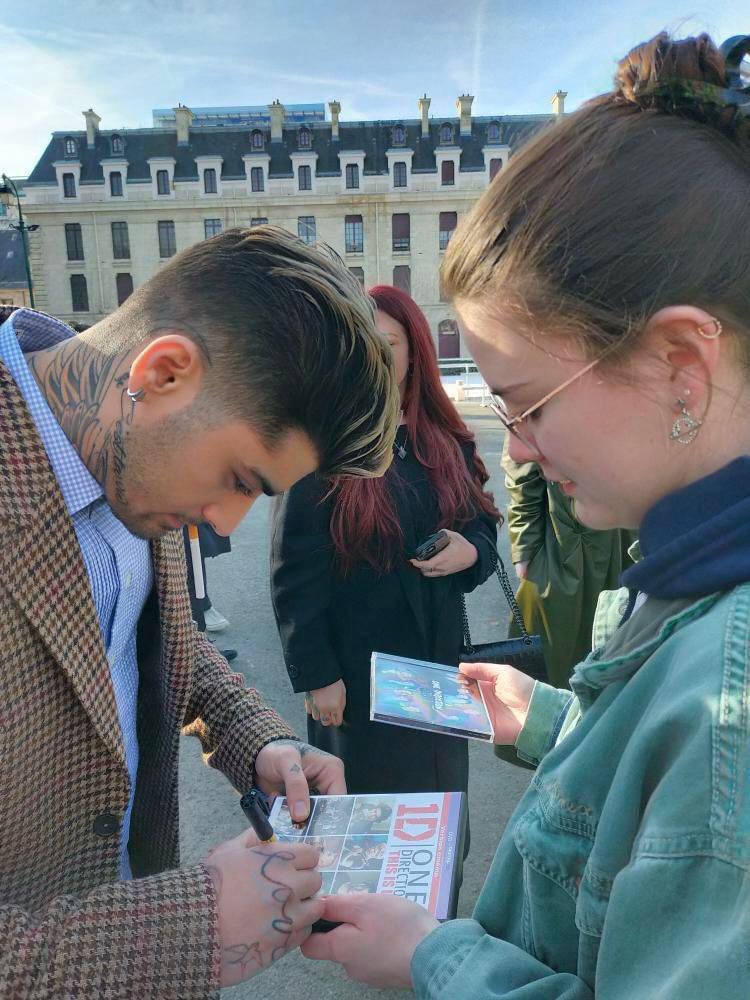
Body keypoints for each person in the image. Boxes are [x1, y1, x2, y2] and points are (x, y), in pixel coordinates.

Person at [301, 31, 750, 998]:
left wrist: (433, 956)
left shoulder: (733, 699)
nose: (519, 446)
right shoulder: (698, 579)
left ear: (682, 363)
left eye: (529, 402)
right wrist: (552, 720)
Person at [0, 225, 399, 997]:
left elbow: (148, 644)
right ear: (165, 371)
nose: (224, 525)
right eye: (239, 478)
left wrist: (260, 744)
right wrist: (192, 923)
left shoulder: (128, 458)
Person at [271, 284, 500, 798]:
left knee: (439, 816)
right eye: (365, 343)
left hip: (437, 670)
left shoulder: (443, 438)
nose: (376, 356)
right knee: (368, 826)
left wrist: (471, 553)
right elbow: (295, 570)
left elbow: (482, 525)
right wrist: (317, 673)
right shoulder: (324, 443)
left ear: (414, 351)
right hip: (356, 677)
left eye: (389, 343)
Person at [501, 437, 635, 687]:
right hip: (564, 543)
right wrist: (525, 548)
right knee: (551, 656)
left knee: (613, 647)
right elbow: (521, 470)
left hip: (622, 538)